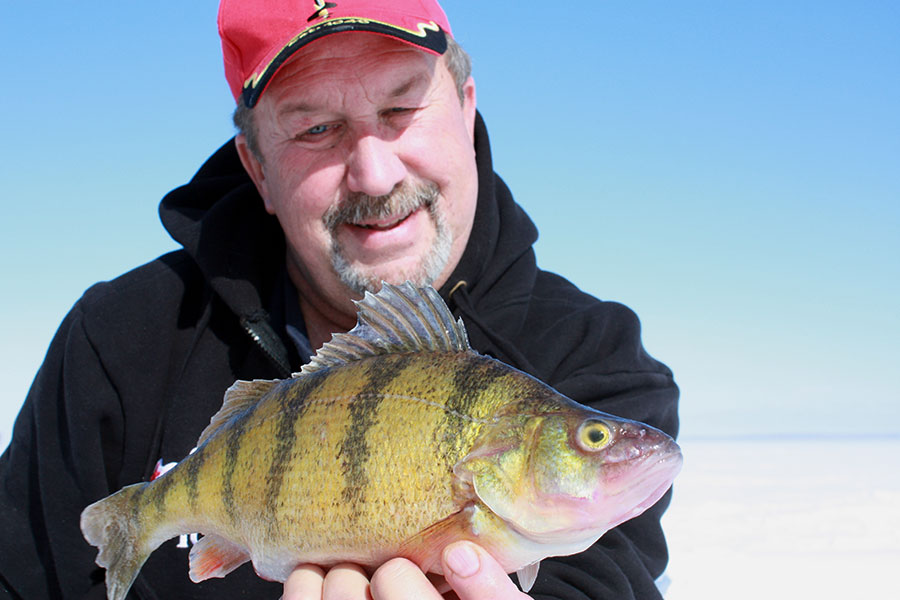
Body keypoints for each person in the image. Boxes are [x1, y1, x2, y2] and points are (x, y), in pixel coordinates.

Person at [0, 1, 679, 598]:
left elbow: (606, 583)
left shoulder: (599, 357)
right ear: (258, 167)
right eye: (315, 129)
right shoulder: (116, 342)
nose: (375, 174)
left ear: (468, 110)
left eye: (401, 107)